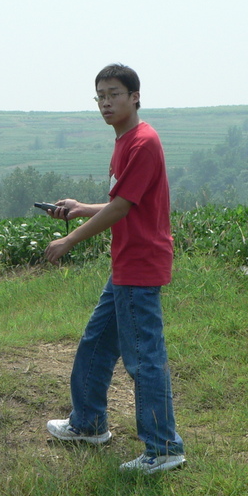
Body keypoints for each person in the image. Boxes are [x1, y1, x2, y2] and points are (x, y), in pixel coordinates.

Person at [42, 63, 185, 474]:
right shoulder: (125, 141)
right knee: (97, 343)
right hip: (127, 264)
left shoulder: (141, 143)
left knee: (144, 360)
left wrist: (69, 240)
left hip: (139, 266)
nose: (106, 102)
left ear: (135, 97)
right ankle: (88, 424)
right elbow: (124, 202)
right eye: (100, 96)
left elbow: (123, 208)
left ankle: (163, 448)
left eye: (115, 94)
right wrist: (79, 210)